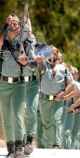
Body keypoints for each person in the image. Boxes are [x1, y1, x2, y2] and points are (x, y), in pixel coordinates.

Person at [0, 14, 37, 158]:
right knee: (6, 116)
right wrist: (4, 30)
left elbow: (34, 64)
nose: (13, 24)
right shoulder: (3, 41)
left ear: (20, 27)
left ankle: (20, 147)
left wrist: (26, 62)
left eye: (16, 22)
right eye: (10, 22)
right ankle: (11, 148)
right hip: (3, 83)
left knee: (17, 114)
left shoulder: (26, 43)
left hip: (19, 84)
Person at [38, 47, 73, 148]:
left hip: (58, 99)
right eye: (50, 53)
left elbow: (71, 83)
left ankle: (56, 144)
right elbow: (37, 59)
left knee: (57, 120)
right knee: (46, 122)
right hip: (44, 99)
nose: (52, 55)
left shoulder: (63, 68)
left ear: (57, 55)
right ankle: (49, 143)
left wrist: (63, 92)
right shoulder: (43, 65)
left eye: (54, 53)